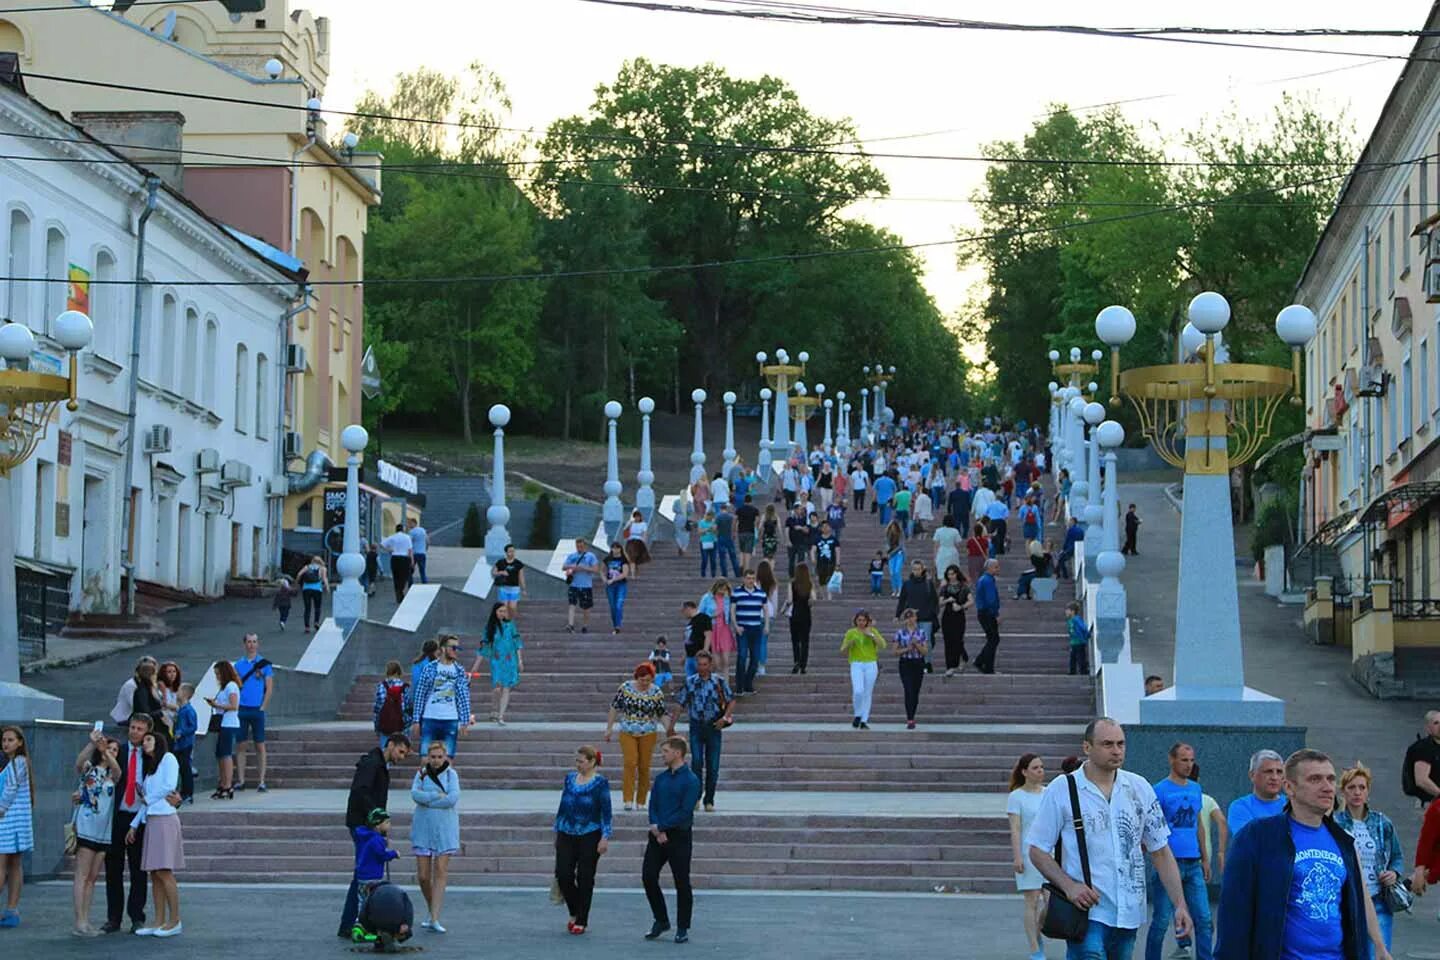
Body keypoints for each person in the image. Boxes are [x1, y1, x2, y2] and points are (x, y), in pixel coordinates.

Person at [1027, 718, 1195, 960]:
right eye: (1107, 744)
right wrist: (1069, 886)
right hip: (1087, 913)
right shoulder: (1063, 789)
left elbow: (1160, 850)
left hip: (1128, 912)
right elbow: (1037, 850)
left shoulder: (1139, 788)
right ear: (1087, 747)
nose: (1116, 751)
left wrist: (1180, 904)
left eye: (1121, 744)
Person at [1216, 748, 1390, 960]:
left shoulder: (1344, 841)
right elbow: (1233, 913)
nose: (1327, 787)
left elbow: (1360, 897)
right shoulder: (1257, 837)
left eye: (1331, 779)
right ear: (1289, 787)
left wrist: (1380, 945)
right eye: (1315, 779)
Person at [339, 734, 411, 939]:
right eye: (401, 751)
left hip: (365, 824)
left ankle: (354, 923)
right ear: (390, 745)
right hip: (364, 825)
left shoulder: (377, 763)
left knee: (361, 875)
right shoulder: (372, 763)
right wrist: (377, 820)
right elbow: (361, 791)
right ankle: (352, 924)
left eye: (405, 754)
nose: (402, 757)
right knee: (363, 876)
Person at [1147, 743, 1214, 960]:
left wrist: (1205, 858)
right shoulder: (1159, 790)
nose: (1188, 764)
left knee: (1203, 918)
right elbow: (1151, 827)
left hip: (1193, 863)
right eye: (1184, 760)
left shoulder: (1195, 788)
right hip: (1169, 863)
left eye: (1191, 760)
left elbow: (1198, 825)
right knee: (1161, 921)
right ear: (1172, 760)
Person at [1333, 762, 1403, 958]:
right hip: (1347, 900)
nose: (1357, 792)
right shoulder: (1335, 823)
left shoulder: (1382, 822)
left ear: (1368, 791)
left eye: (1362, 787)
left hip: (1378, 899)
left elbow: (1396, 856)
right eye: (1351, 787)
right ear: (1343, 792)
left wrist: (1394, 873)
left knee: (1378, 953)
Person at [643, 737, 702, 944]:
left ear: (677, 753)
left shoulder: (692, 780)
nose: (663, 755)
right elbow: (653, 804)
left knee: (681, 882)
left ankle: (683, 926)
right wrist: (655, 827)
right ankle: (661, 919)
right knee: (648, 876)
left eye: (666, 751)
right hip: (657, 835)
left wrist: (662, 827)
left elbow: (685, 811)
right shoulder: (661, 779)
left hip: (679, 836)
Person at [125, 730, 183, 937]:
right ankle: (159, 921)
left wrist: (149, 800)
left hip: (165, 820)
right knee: (154, 873)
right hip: (151, 820)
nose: (145, 742)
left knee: (164, 871)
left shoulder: (168, 759)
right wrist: (134, 825)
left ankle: (174, 920)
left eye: (149, 739)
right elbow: (146, 801)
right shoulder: (150, 771)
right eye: (144, 740)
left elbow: (168, 787)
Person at [554, 745, 613, 935]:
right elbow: (563, 804)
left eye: (581, 761)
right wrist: (557, 828)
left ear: (592, 762)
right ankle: (574, 909)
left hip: (590, 833)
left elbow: (606, 812)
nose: (577, 764)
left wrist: (605, 836)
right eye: (576, 761)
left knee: (585, 877)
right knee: (563, 873)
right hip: (566, 831)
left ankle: (582, 918)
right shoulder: (570, 779)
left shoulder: (600, 783)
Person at [104, 713, 154, 933]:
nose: (134, 731)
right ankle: (113, 917)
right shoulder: (120, 751)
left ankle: (137, 916)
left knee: (137, 869)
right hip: (118, 815)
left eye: (139, 729)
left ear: (147, 733)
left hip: (140, 817)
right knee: (113, 868)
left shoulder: (152, 755)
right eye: (132, 727)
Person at [666, 652, 734, 812]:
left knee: (713, 766)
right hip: (696, 725)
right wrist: (671, 726)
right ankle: (696, 797)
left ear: (710, 665)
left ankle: (709, 800)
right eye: (699, 664)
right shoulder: (690, 682)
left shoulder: (718, 681)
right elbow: (680, 704)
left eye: (705, 664)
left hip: (714, 726)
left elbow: (731, 700)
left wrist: (725, 717)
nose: (702, 667)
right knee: (696, 762)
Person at [71, 730, 121, 936]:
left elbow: (118, 771)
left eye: (115, 750)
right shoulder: (90, 769)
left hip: (104, 830)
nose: (111, 751)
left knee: (92, 877)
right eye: (109, 747)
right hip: (87, 824)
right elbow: (78, 762)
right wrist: (93, 744)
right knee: (82, 875)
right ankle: (79, 921)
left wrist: (107, 753)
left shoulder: (113, 775)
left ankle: (86, 919)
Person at [410, 741, 459, 933]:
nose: (436, 760)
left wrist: (428, 800)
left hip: (445, 828)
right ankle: (431, 908)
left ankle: (435, 917)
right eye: (433, 757)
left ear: (445, 757)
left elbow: (452, 798)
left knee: (440, 870)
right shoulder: (421, 773)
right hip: (423, 827)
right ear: (428, 757)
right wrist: (434, 796)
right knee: (423, 876)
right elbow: (415, 794)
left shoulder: (451, 775)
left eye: (440, 757)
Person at [605, 663, 668, 811]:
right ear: (637, 678)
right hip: (628, 730)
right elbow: (614, 707)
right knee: (630, 762)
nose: (645, 683)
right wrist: (609, 728)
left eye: (648, 680)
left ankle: (641, 800)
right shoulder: (625, 688)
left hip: (648, 731)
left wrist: (670, 731)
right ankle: (627, 798)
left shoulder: (656, 692)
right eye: (642, 680)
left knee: (644, 766)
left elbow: (662, 713)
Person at [1006, 753, 1047, 960]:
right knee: (1031, 901)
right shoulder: (1016, 797)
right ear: (1024, 772)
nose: (1040, 771)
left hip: (1049, 855)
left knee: (1052, 904)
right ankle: (1035, 949)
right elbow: (1015, 829)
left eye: (1041, 767)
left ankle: (1036, 933)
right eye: (1035, 768)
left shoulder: (1048, 794)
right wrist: (1017, 857)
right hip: (1028, 854)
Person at [411, 632, 474, 752]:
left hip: (451, 718)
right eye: (453, 647)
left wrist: (465, 720)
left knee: (448, 756)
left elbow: (463, 696)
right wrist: (416, 720)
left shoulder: (459, 670)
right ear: (443, 649)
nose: (456, 651)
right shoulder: (430, 668)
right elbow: (420, 694)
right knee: (425, 755)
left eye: (458, 648)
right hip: (429, 717)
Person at [350, 807, 401, 943]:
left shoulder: (364, 836)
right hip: (372, 877)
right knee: (370, 903)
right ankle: (363, 926)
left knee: (362, 901)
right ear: (378, 825)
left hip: (362, 875)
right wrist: (394, 854)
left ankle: (359, 926)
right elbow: (381, 855)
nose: (389, 826)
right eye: (387, 823)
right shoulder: (376, 840)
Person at [0, 727, 33, 929]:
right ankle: (11, 910)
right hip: (14, 820)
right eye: (4, 740)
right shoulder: (11, 763)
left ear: (20, 742)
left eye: (10, 740)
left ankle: (12, 909)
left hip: (10, 819)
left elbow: (11, 789)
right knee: (13, 864)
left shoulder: (19, 762)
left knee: (6, 864)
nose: (6, 744)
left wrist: (1, 808)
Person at [233, 632, 273, 793]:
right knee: (241, 744)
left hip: (257, 709)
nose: (252, 645)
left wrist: (263, 706)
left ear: (258, 644)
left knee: (260, 745)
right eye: (249, 642)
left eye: (254, 641)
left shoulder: (264, 664)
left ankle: (262, 781)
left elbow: (270, 687)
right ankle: (241, 780)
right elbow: (235, 686)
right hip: (242, 708)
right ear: (245, 644)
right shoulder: (239, 664)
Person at [1226, 749, 1287, 840]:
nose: (1275, 777)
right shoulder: (1240, 806)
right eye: (1268, 771)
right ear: (1252, 775)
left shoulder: (1293, 804)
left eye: (1279, 772)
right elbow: (1250, 841)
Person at [841, 610, 885, 730]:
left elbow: (882, 645)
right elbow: (843, 650)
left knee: (867, 692)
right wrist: (850, 644)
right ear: (855, 621)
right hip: (856, 663)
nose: (861, 623)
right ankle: (858, 714)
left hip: (870, 663)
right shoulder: (851, 633)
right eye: (859, 620)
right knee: (858, 690)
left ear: (867, 621)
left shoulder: (872, 631)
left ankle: (864, 720)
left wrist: (870, 635)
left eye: (863, 620)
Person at [205, 661, 241, 800]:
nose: (217, 676)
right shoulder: (224, 687)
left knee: (225, 755)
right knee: (220, 754)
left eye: (219, 674)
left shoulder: (231, 686)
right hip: (223, 724)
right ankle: (223, 783)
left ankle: (227, 785)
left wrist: (216, 704)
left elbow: (234, 705)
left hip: (229, 723)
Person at [731, 568, 769, 696]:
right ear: (744, 579)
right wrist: (736, 626)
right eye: (748, 578)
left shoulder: (761, 593)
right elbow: (732, 610)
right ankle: (739, 686)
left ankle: (748, 684)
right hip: (743, 629)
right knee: (742, 657)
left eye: (753, 578)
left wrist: (767, 625)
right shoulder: (737, 592)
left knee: (755, 658)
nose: (750, 581)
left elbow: (766, 610)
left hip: (756, 628)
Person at [893, 609, 928, 729]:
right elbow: (895, 651)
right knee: (908, 689)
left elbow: (925, 651)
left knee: (915, 691)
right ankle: (910, 718)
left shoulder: (921, 632)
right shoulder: (900, 633)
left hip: (918, 662)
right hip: (905, 663)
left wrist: (917, 645)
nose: (910, 620)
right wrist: (907, 649)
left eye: (912, 617)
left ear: (915, 618)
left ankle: (913, 713)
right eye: (907, 618)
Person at [938, 565, 972, 678]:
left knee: (957, 640)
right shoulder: (945, 587)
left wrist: (961, 606)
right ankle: (950, 666)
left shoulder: (963, 587)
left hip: (959, 616)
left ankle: (960, 659)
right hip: (947, 616)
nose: (951, 576)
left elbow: (971, 601)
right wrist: (948, 600)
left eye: (953, 574)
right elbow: (939, 602)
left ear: (957, 574)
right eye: (949, 574)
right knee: (948, 641)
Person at [1402, 709, 1440, 806]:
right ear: (1428, 728)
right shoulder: (1423, 748)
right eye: (1436, 723)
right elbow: (1422, 780)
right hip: (1430, 804)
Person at [563, 537, 601, 633]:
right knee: (572, 604)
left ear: (585, 546)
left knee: (586, 608)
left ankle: (585, 625)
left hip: (586, 585)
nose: (579, 548)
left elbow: (596, 570)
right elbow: (564, 567)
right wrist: (572, 567)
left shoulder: (591, 556)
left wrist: (583, 568)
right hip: (574, 584)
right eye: (577, 546)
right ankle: (570, 625)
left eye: (581, 546)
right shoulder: (572, 556)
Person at [700, 579, 736, 681]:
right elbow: (700, 614)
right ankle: (713, 683)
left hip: (724, 629)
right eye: (721, 589)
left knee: (726, 661)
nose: (722, 591)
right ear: (716, 587)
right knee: (716, 662)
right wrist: (712, 615)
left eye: (725, 589)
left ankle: (726, 687)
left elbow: (732, 610)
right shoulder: (707, 598)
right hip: (712, 629)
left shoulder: (727, 598)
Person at [973, 559, 1003, 675]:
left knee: (993, 639)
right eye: (996, 567)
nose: (998, 569)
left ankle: (988, 668)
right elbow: (991, 600)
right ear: (989, 568)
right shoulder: (987, 581)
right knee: (994, 639)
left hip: (984, 613)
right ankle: (979, 661)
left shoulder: (985, 579)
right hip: (987, 613)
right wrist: (996, 614)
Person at [373, 661, 409, 749]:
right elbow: (408, 706)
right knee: (401, 746)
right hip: (401, 722)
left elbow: (377, 707)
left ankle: (386, 762)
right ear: (399, 672)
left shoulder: (382, 686)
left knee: (385, 748)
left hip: (386, 721)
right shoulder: (404, 686)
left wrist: (377, 726)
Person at [785, 562, 814, 674]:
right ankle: (803, 665)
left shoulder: (792, 584)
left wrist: (785, 607)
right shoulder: (809, 584)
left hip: (795, 615)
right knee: (805, 640)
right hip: (806, 614)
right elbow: (812, 600)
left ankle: (796, 661)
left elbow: (789, 600)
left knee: (795, 640)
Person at [171, 684, 196, 804]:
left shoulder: (188, 710)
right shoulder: (181, 710)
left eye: (180, 690)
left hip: (185, 744)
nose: (177, 692)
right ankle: (183, 791)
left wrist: (182, 732)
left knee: (186, 769)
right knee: (181, 769)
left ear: (185, 694)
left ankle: (188, 793)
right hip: (179, 744)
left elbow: (193, 726)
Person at [603, 541, 632, 635]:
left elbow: (625, 574)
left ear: (620, 549)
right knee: (612, 606)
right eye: (613, 548)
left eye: (617, 548)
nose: (615, 550)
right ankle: (615, 624)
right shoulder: (608, 559)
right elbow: (601, 570)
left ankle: (617, 626)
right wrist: (604, 579)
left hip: (621, 585)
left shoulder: (623, 560)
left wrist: (614, 579)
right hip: (610, 586)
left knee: (618, 604)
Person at [380, 525, 415, 603]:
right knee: (404, 576)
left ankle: (398, 594)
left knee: (396, 577)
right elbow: (410, 550)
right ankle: (401, 591)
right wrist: (412, 561)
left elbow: (382, 544)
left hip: (395, 558)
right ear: (403, 529)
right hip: (405, 559)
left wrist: (389, 550)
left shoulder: (392, 537)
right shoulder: (407, 537)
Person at [492, 544, 527, 617]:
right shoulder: (500, 562)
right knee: (504, 607)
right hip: (503, 588)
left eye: (513, 551)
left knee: (512, 607)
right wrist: (501, 572)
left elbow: (521, 577)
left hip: (514, 588)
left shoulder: (518, 563)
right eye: (510, 551)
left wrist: (523, 589)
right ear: (506, 552)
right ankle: (506, 622)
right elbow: (493, 572)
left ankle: (511, 619)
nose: (512, 553)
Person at [297, 554, 328, 631]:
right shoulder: (322, 568)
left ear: (312, 561)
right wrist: (327, 588)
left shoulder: (307, 567)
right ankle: (316, 622)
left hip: (306, 589)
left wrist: (297, 582)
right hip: (317, 590)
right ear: (321, 561)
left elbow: (299, 574)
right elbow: (324, 579)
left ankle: (307, 627)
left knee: (307, 608)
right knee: (317, 607)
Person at [681, 600, 711, 678]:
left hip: (699, 656)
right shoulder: (690, 623)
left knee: (701, 679)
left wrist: (705, 651)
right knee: (690, 681)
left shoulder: (704, 618)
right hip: (689, 656)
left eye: (683, 611)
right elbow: (687, 640)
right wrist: (684, 656)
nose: (683, 614)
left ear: (688, 608)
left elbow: (708, 635)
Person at [814, 521, 840, 599]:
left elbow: (837, 551)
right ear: (821, 528)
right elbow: (813, 549)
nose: (825, 528)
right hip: (820, 563)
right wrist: (812, 557)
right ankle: (823, 596)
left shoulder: (834, 539)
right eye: (823, 527)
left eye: (827, 526)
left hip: (831, 563)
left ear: (830, 528)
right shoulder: (817, 539)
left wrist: (838, 563)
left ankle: (829, 596)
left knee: (829, 580)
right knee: (821, 581)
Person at [714, 502, 740, 578]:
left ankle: (724, 574)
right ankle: (737, 573)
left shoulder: (718, 517)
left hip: (721, 537)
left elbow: (715, 528)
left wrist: (716, 534)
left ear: (721, 509)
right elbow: (735, 526)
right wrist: (734, 533)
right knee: (733, 556)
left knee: (722, 557)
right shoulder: (731, 517)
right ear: (726, 509)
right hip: (729, 537)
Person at [785, 502, 812, 577]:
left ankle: (800, 575)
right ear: (796, 510)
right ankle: (791, 575)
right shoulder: (790, 519)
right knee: (791, 560)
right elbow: (787, 530)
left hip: (801, 542)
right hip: (792, 543)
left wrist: (800, 528)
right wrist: (788, 541)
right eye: (800, 509)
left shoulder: (804, 519)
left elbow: (807, 530)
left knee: (801, 560)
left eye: (802, 509)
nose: (801, 510)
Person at [1067, 601, 1091, 675]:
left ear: (1073, 611)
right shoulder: (1070, 620)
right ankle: (1072, 672)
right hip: (1073, 642)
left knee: (1081, 658)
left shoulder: (1077, 619)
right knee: (1072, 658)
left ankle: (1084, 671)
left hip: (1079, 642)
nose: (1066, 612)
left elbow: (1083, 627)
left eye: (1068, 610)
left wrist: (1087, 635)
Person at [885, 518, 906, 596]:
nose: (893, 528)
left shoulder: (900, 533)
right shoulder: (888, 533)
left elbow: (900, 545)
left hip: (899, 554)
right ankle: (894, 590)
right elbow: (887, 543)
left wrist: (892, 552)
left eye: (894, 526)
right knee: (892, 573)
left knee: (897, 571)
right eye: (892, 526)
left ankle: (900, 590)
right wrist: (887, 550)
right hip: (891, 555)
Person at [407, 518, 430, 585]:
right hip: (422, 554)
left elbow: (409, 543)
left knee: (410, 570)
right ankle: (424, 584)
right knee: (422, 570)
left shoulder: (412, 532)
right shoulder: (423, 530)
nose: (409, 525)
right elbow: (428, 541)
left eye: (410, 523)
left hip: (414, 554)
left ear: (414, 523)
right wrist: (425, 549)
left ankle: (410, 584)